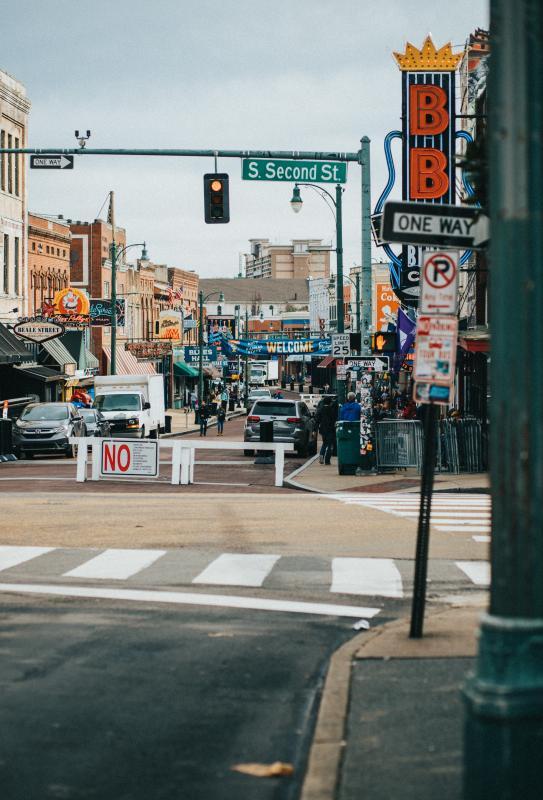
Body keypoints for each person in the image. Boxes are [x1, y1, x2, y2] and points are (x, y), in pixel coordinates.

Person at [315, 395, 336, 465]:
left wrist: (316, 429)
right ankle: (327, 460)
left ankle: (321, 455)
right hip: (330, 429)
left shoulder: (320, 410)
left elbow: (317, 420)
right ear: (330, 402)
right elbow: (334, 419)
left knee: (324, 443)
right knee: (330, 445)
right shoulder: (332, 410)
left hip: (323, 429)